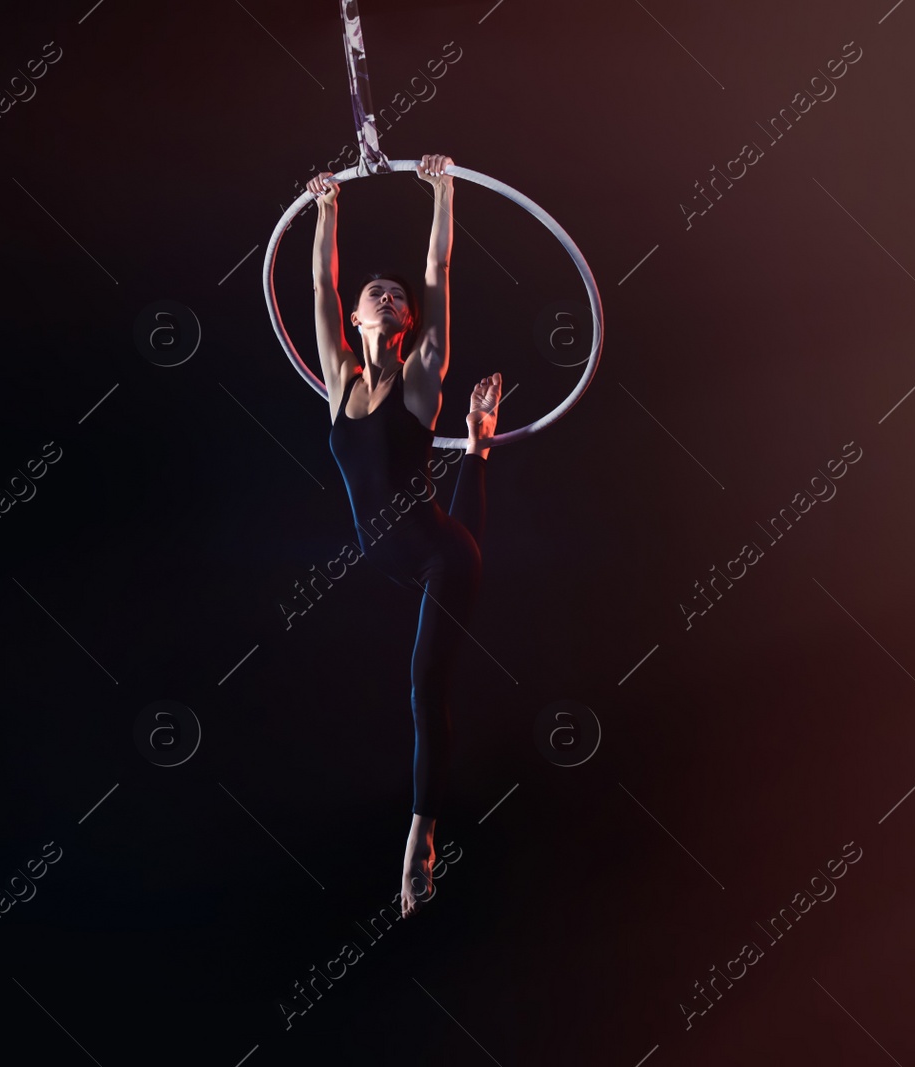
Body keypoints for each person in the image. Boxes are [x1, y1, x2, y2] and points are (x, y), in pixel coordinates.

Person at [307, 153, 500, 918]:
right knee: (456, 542)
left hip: (435, 558)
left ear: (408, 319)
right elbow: (320, 286)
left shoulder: (422, 376)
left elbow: (437, 266)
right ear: (359, 320)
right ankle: (479, 448)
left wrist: (443, 186)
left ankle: (419, 842)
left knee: (424, 688)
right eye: (372, 294)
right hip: (412, 555)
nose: (385, 296)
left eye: (395, 295)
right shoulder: (341, 380)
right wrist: (326, 208)